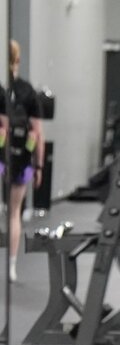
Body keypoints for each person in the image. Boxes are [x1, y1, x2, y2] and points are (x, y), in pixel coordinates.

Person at [0, 40, 44, 282]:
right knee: (14, 212)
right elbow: (37, 133)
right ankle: (11, 266)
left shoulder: (2, 89)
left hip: (3, 155)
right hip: (22, 159)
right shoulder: (28, 91)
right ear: (17, 60)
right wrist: (38, 166)